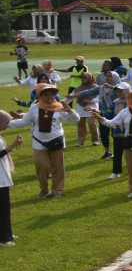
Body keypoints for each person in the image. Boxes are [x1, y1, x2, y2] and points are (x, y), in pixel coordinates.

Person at [9, 84, 80, 198]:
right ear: (40, 96)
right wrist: (7, 124)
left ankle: (58, 190)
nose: (49, 97)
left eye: (51, 94)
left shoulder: (59, 107)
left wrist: (70, 110)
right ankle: (44, 189)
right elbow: (24, 122)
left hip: (56, 141)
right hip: (39, 142)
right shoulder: (34, 107)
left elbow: (76, 119)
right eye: (46, 95)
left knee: (58, 167)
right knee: (41, 167)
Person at [0, 111, 22, 246]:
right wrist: (12, 146)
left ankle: (7, 233)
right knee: (2, 208)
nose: (7, 125)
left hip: (2, 176)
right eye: (6, 122)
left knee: (5, 207)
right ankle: (3, 238)